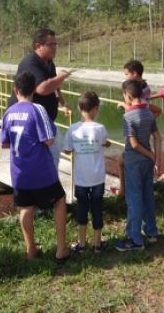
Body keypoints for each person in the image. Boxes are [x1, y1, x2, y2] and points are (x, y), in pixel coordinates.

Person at [0, 72, 70, 264]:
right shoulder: (37, 109)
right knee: (60, 200)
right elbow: (49, 139)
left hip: (19, 171)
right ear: (33, 90)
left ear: (15, 90)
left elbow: (4, 143)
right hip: (41, 170)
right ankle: (61, 248)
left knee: (26, 207)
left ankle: (31, 249)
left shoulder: (9, 112)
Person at [9, 28, 72, 169]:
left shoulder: (49, 62)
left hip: (43, 120)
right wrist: (62, 76)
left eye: (55, 44)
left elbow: (54, 84)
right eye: (51, 44)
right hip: (28, 121)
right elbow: (42, 88)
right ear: (38, 46)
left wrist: (62, 102)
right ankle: (49, 182)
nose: (55, 47)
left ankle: (48, 180)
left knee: (52, 152)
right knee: (51, 153)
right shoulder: (31, 62)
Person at [115, 79, 161, 251]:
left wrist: (150, 154)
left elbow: (133, 144)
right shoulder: (149, 113)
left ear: (127, 96)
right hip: (147, 162)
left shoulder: (127, 117)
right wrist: (156, 158)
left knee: (134, 198)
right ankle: (151, 231)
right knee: (148, 194)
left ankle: (135, 239)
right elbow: (156, 137)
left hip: (134, 161)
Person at [63, 91, 110, 253]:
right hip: (97, 177)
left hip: (81, 178)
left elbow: (67, 150)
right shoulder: (100, 128)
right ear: (96, 109)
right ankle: (97, 244)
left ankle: (82, 244)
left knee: (82, 209)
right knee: (97, 208)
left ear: (79, 107)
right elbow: (104, 142)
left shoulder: (72, 129)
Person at [114, 60, 161, 195]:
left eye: (127, 74)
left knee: (136, 187)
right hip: (142, 139)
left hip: (137, 148)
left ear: (134, 74)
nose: (125, 77)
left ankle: (126, 192)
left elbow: (137, 108)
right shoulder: (143, 87)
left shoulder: (142, 91)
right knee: (120, 161)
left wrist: (123, 105)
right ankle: (124, 190)